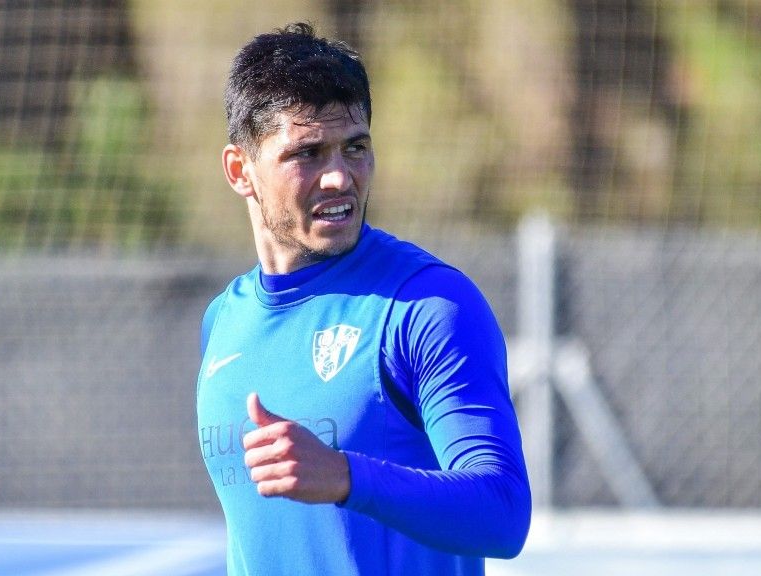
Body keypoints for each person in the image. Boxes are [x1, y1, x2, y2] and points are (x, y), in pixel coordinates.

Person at [196, 22, 531, 575]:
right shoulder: (223, 321)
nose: (338, 178)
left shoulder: (427, 307)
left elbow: (502, 512)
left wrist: (347, 476)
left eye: (355, 148)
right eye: (307, 153)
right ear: (240, 171)